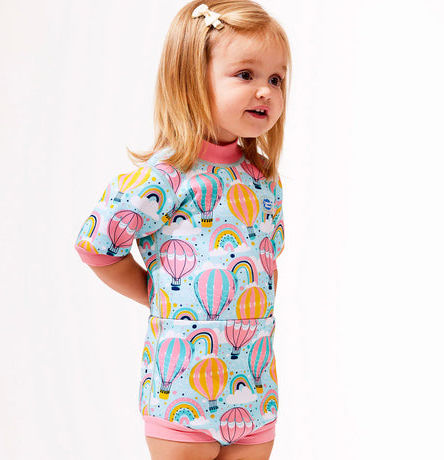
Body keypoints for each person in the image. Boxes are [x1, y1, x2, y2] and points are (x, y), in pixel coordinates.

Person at [74, 1, 290, 459]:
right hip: (181, 393)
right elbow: (96, 245)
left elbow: (267, 263)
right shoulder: (164, 175)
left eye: (276, 79)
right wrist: (155, 292)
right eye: (246, 74)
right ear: (191, 79)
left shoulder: (264, 180)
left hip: (255, 386)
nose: (266, 91)